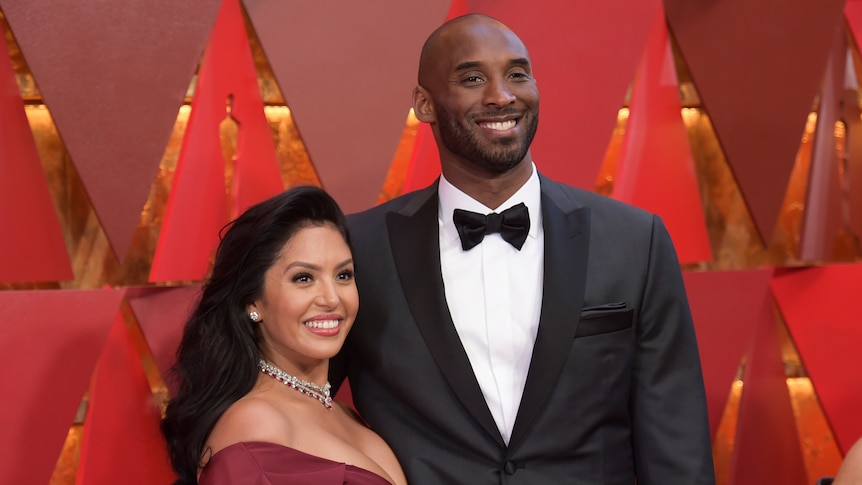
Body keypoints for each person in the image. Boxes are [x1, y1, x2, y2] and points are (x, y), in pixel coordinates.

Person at [331, 13, 715, 484]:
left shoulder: (636, 241)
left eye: (517, 74)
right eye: (472, 78)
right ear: (424, 104)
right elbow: (295, 403)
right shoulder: (357, 251)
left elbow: (676, 444)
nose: (502, 95)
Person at [161, 186, 407, 485]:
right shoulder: (254, 421)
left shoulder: (344, 414)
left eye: (343, 275)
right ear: (252, 301)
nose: (332, 298)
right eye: (304, 278)